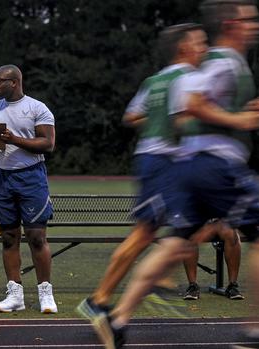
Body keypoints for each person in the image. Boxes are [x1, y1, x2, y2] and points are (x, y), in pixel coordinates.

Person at [93, 1, 259, 348]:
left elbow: (183, 116)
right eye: (250, 19)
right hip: (214, 166)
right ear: (231, 24)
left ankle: (117, 320)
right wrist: (240, 120)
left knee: (176, 242)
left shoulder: (204, 67)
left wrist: (242, 112)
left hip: (188, 166)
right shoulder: (221, 60)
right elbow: (191, 106)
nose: (257, 25)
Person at [77, 23, 212, 321]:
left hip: (153, 159)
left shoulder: (155, 80)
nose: (205, 47)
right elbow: (183, 123)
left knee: (158, 231)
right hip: (166, 162)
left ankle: (111, 295)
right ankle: (146, 286)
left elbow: (132, 115)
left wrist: (156, 124)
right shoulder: (189, 77)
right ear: (183, 48)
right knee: (174, 228)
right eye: (200, 42)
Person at [0, 64, 58, 314]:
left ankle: (46, 294)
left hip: (31, 176)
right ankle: (15, 295)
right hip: (3, 177)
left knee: (37, 237)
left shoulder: (37, 108)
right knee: (8, 238)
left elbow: (48, 144)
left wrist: (14, 139)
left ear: (13, 82)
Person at [182, 222, 244, 300]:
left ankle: (232, 286)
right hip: (199, 219)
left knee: (232, 234)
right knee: (189, 235)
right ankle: (192, 286)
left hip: (219, 220)